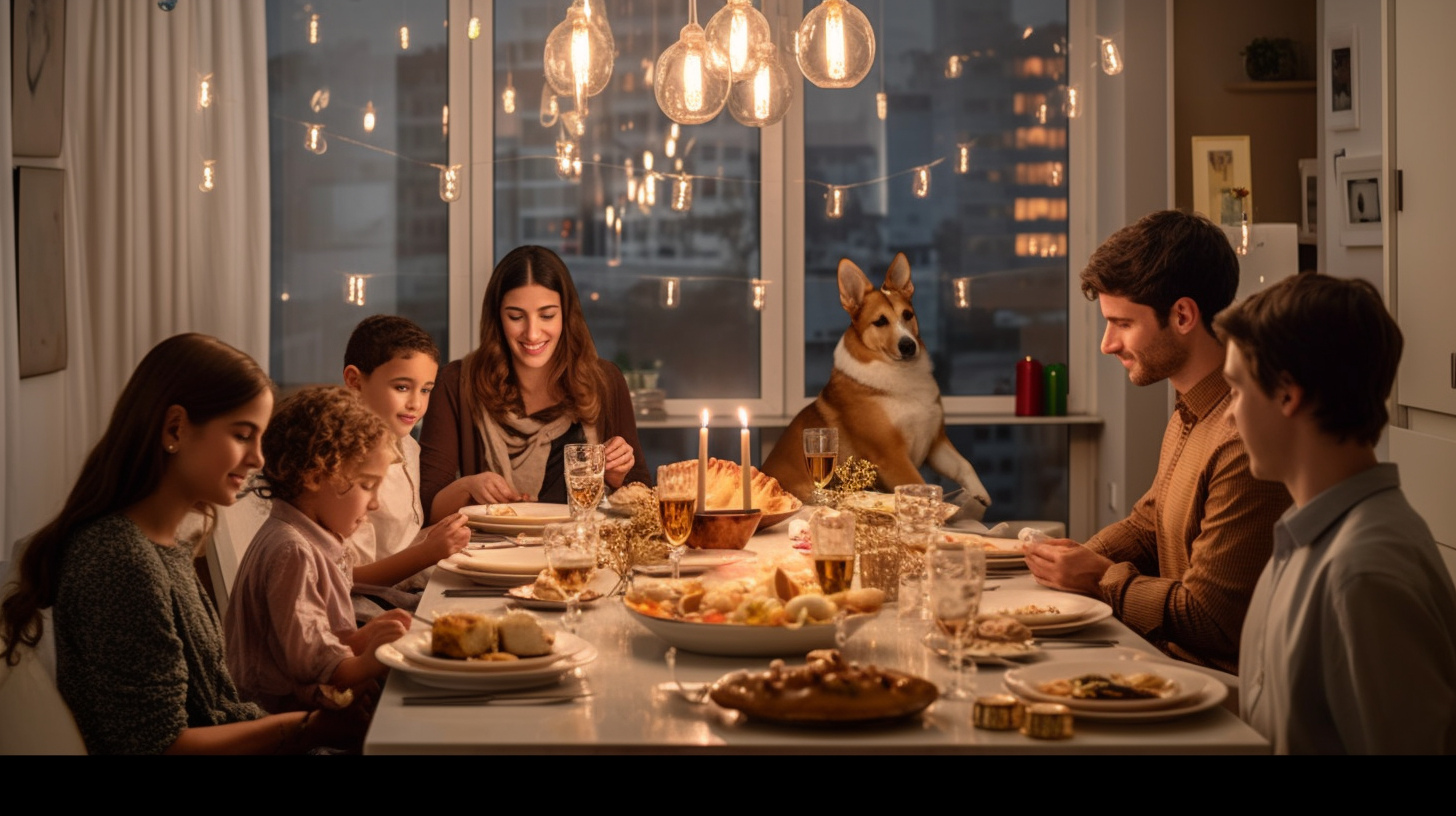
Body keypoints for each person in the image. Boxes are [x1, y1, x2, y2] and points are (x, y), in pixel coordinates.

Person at [0, 334, 363, 754]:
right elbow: (158, 745)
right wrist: (306, 728)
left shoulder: (162, 547)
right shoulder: (118, 559)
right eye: (243, 435)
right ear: (175, 428)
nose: (258, 459)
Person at [1022, 210, 1291, 673]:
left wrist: (1099, 578)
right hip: (1161, 657)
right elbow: (1151, 524)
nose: (1108, 344)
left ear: (1183, 315)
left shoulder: (1243, 439)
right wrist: (1071, 556)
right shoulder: (1190, 408)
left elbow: (1212, 620)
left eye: (1123, 323)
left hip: (1213, 685)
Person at [1215, 274, 1456, 753]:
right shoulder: (1307, 534)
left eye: (1237, 390)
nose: (1228, 414)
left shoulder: (1362, 572)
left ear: (1288, 394)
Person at [420, 245, 651, 522]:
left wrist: (617, 477)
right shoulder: (456, 383)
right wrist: (467, 487)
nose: (532, 332)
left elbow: (643, 505)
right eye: (516, 317)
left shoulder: (606, 382)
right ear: (497, 318)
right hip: (488, 561)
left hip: (580, 557)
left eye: (547, 315)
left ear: (566, 315)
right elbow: (425, 510)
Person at [225, 386, 413, 713]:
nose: (375, 502)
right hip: (281, 724)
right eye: (367, 485)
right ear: (315, 476)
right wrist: (373, 660)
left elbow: (311, 645)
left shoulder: (312, 537)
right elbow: (311, 665)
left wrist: (364, 638)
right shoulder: (292, 551)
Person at [341, 315, 469, 591]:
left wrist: (442, 536)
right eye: (402, 387)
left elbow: (401, 543)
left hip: (413, 591)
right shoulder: (344, 462)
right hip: (368, 612)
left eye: (425, 390)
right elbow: (346, 578)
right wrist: (428, 552)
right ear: (354, 381)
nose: (416, 404)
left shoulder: (408, 444)